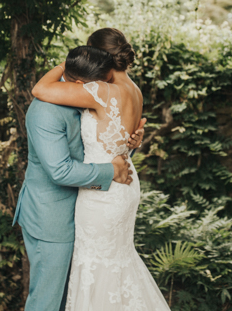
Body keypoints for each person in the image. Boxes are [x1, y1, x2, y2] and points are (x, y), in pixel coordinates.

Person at [33, 29, 171, 310]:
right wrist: (134, 142)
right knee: (118, 262)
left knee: (95, 265)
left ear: (99, 57)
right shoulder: (135, 90)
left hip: (102, 193)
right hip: (126, 182)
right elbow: (118, 140)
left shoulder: (100, 90)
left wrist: (66, 63)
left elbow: (40, 90)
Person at [12, 44, 145, 311]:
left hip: (88, 212)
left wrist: (128, 142)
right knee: (48, 300)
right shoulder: (45, 111)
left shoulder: (85, 96)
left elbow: (102, 137)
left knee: (77, 296)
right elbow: (60, 170)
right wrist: (112, 171)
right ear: (82, 82)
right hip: (52, 217)